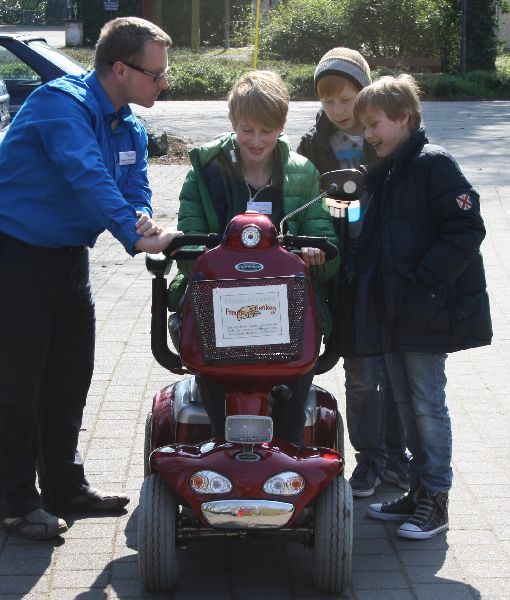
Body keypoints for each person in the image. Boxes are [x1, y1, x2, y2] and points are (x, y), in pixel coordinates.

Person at [0, 17, 183, 541]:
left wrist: (142, 218)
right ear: (120, 68)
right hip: (15, 257)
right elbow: (87, 173)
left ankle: (64, 488)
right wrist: (132, 233)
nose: (164, 82)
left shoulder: (129, 126)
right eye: (156, 74)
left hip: (67, 261)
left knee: (69, 377)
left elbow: (134, 184)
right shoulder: (61, 106)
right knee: (17, 385)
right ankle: (15, 501)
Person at [351, 74, 492, 539]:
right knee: (405, 403)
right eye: (364, 126)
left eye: (374, 124)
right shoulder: (391, 169)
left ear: (404, 119)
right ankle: (417, 489)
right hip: (394, 311)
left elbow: (467, 227)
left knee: (427, 404)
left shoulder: (433, 163)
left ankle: (436, 497)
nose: (368, 133)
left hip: (424, 309)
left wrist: (424, 283)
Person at [168, 70, 338, 447]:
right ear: (233, 122)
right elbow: (188, 254)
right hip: (218, 304)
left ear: (282, 126)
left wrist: (316, 254)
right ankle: (222, 443)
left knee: (299, 357)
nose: (257, 141)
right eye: (247, 130)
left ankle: (289, 449)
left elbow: (327, 245)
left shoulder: (303, 174)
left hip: (286, 307)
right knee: (210, 353)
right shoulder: (204, 173)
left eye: (267, 130)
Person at [297, 47, 409, 497]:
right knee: (361, 376)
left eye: (347, 98)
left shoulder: (388, 137)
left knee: (396, 373)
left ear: (365, 92)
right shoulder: (312, 146)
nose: (338, 109)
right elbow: (304, 206)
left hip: (390, 272)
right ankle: (369, 458)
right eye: (328, 100)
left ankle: (398, 459)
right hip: (342, 274)